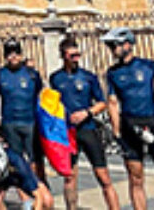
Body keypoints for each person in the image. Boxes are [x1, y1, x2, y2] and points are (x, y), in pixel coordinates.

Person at [102, 27, 154, 210]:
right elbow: (112, 103)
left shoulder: (147, 66)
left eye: (114, 46)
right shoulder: (112, 73)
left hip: (153, 124)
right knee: (135, 178)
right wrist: (117, 132)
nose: (112, 50)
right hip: (130, 127)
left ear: (127, 45)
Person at [49, 37, 119, 210]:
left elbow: (102, 103)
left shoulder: (88, 77)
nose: (76, 59)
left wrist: (87, 113)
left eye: (78, 55)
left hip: (89, 129)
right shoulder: (55, 79)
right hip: (68, 133)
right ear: (63, 56)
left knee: (103, 176)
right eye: (72, 56)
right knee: (70, 176)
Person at [0, 39, 44, 180]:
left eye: (16, 53)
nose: (13, 56)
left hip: (30, 122)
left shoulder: (32, 74)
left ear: (21, 55)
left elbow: (39, 94)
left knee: (35, 160)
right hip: (10, 123)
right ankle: (26, 191)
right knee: (16, 161)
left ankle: (39, 186)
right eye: (9, 54)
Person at [0, 140, 53, 210]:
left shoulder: (18, 164)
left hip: (17, 175)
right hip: (2, 178)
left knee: (47, 200)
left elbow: (38, 196)